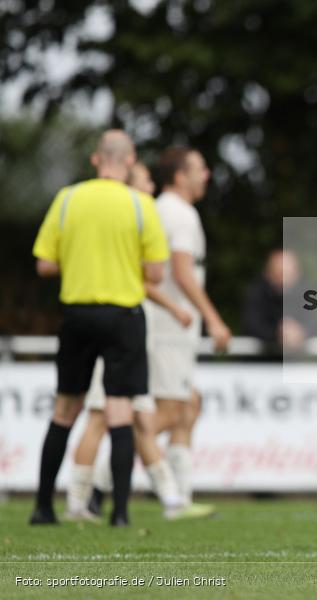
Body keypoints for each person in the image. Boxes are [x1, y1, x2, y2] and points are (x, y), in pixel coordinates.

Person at [30, 130, 169, 526]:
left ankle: (42, 507)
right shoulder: (141, 205)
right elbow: (155, 273)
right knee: (120, 411)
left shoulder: (68, 198)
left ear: (95, 159)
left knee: (65, 409)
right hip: (123, 315)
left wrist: (78, 260)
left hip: (77, 314)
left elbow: (44, 263)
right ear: (130, 161)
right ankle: (120, 513)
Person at [66, 161, 212, 521]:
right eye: (146, 180)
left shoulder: (133, 217)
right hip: (119, 325)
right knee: (106, 416)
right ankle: (82, 502)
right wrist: (176, 307)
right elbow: (147, 278)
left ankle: (171, 498)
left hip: (120, 326)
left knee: (153, 412)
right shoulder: (139, 218)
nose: (152, 187)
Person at [145, 146, 231, 508]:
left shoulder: (162, 210)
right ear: (180, 176)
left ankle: (180, 495)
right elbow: (181, 273)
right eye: (200, 168)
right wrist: (213, 319)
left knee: (189, 404)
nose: (206, 174)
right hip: (168, 327)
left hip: (163, 326)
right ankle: (101, 479)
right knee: (167, 412)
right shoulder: (179, 214)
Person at [241, 249, 315, 355]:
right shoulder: (256, 293)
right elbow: (251, 326)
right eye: (279, 273)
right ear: (268, 273)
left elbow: (312, 324)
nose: (284, 279)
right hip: (258, 365)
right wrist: (278, 333)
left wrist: (301, 333)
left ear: (297, 274)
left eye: (288, 274)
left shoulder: (305, 295)